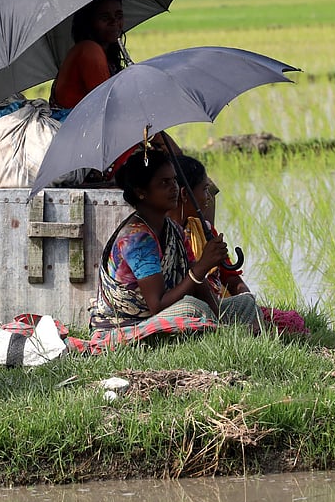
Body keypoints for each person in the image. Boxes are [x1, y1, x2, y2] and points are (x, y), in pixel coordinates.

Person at [86, 149, 262, 351]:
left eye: (175, 181)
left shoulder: (173, 230)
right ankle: (228, 336)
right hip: (126, 326)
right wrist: (203, 266)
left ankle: (229, 335)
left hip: (164, 314)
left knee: (245, 303)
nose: (174, 188)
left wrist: (219, 314)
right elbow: (157, 305)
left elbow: (199, 284)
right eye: (164, 183)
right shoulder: (137, 238)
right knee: (192, 308)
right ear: (141, 192)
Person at [171, 155, 308, 335]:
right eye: (204, 190)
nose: (208, 198)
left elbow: (231, 278)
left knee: (291, 322)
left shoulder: (204, 230)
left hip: (218, 302)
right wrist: (204, 265)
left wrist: (249, 302)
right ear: (184, 193)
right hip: (192, 308)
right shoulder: (168, 236)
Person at [49, 0, 126, 111]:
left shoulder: (106, 55)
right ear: (88, 22)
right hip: (78, 128)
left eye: (119, 16)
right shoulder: (90, 50)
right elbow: (108, 108)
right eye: (105, 18)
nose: (114, 22)